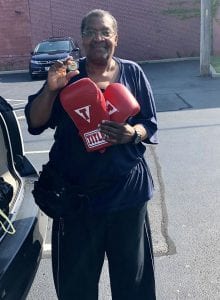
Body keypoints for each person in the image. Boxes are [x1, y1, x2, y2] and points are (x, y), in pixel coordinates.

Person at [25, 8, 158, 300]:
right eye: (90, 32)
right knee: (76, 289)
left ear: (116, 38)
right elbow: (34, 123)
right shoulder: (67, 76)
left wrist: (131, 134)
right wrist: (50, 89)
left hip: (127, 198)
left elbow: (149, 123)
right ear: (82, 40)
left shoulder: (133, 72)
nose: (98, 38)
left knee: (133, 286)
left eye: (105, 32)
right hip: (76, 202)